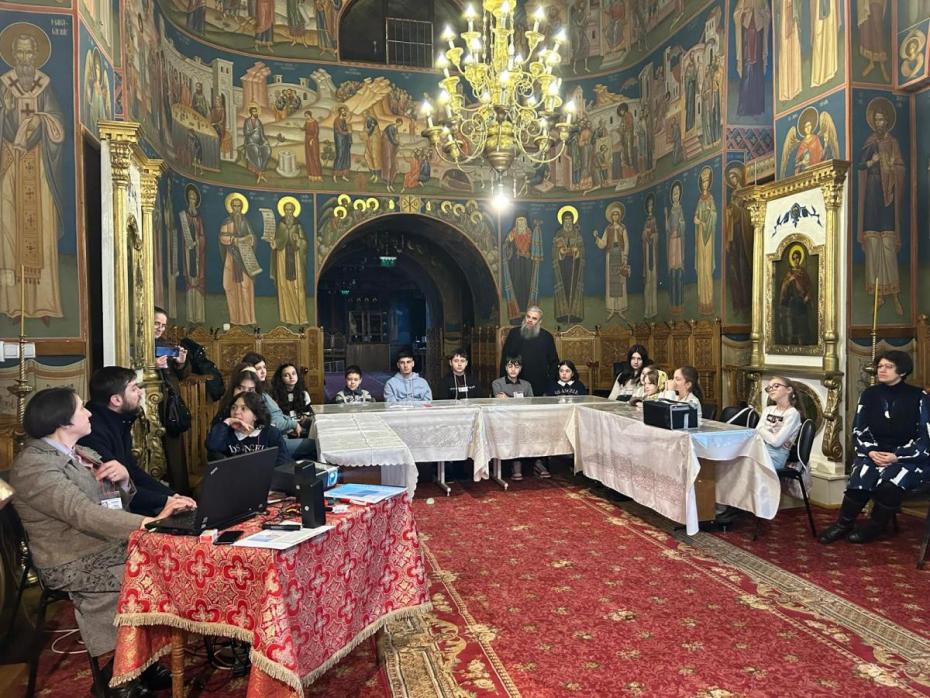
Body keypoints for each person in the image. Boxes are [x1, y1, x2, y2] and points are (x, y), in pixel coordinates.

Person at [12, 388, 190, 697]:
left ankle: (141, 661)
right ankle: (117, 674)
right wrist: (149, 523)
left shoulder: (80, 453)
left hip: (101, 545)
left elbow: (111, 505)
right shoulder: (35, 466)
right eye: (81, 408)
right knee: (144, 575)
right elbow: (83, 513)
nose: (89, 413)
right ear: (63, 421)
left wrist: (124, 481)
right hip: (68, 559)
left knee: (166, 561)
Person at [819, 351, 930, 545]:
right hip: (875, 452)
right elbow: (859, 429)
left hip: (909, 458)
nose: (882, 370)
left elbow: (925, 436)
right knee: (862, 476)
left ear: (902, 371)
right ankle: (843, 524)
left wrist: (897, 456)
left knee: (890, 483)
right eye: (880, 366)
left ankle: (875, 526)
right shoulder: (869, 394)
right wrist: (870, 451)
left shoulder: (919, 397)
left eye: (888, 367)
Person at [78, 366, 195, 517]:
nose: (140, 393)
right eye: (134, 389)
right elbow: (114, 486)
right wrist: (167, 501)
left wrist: (173, 496)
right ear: (116, 400)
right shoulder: (92, 432)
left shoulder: (118, 419)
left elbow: (132, 471)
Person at [204, 391, 295, 493]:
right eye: (233, 408)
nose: (236, 412)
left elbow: (283, 461)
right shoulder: (226, 433)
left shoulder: (270, 433)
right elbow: (212, 445)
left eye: (243, 408)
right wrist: (227, 422)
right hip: (233, 485)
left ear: (255, 415)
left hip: (266, 485)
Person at [154, 306, 192, 493]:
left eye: (163, 325)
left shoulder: (165, 344)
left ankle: (179, 491)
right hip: (152, 403)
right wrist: (151, 366)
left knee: (173, 449)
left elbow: (182, 375)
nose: (160, 328)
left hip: (170, 404)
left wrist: (181, 362)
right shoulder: (135, 345)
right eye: (156, 323)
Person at [491, 357, 536, 480]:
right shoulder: (497, 383)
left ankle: (534, 462)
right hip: (504, 420)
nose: (513, 370)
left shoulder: (526, 384)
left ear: (520, 369)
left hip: (523, 419)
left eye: (516, 367)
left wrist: (509, 398)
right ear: (506, 368)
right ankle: (513, 464)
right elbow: (500, 401)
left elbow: (531, 402)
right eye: (510, 366)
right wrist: (519, 400)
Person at [499, 306, 559, 398]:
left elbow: (554, 362)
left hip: (540, 384)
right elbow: (505, 359)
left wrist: (550, 386)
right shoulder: (514, 333)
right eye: (528, 316)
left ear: (540, 321)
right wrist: (504, 383)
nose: (530, 320)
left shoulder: (547, 337)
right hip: (516, 382)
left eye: (534, 318)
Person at [756, 376, 803, 470]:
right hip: (759, 450)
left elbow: (776, 442)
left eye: (776, 386)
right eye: (769, 388)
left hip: (776, 457)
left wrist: (763, 429)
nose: (771, 389)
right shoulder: (768, 410)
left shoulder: (792, 413)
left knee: (746, 466)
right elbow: (757, 431)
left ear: (789, 390)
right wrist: (769, 433)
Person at [271, 362, 314, 431]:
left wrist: (304, 418)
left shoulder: (304, 394)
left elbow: (307, 413)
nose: (291, 377)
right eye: (286, 375)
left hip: (302, 427)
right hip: (284, 428)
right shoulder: (275, 395)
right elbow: (276, 418)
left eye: (293, 373)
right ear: (281, 378)